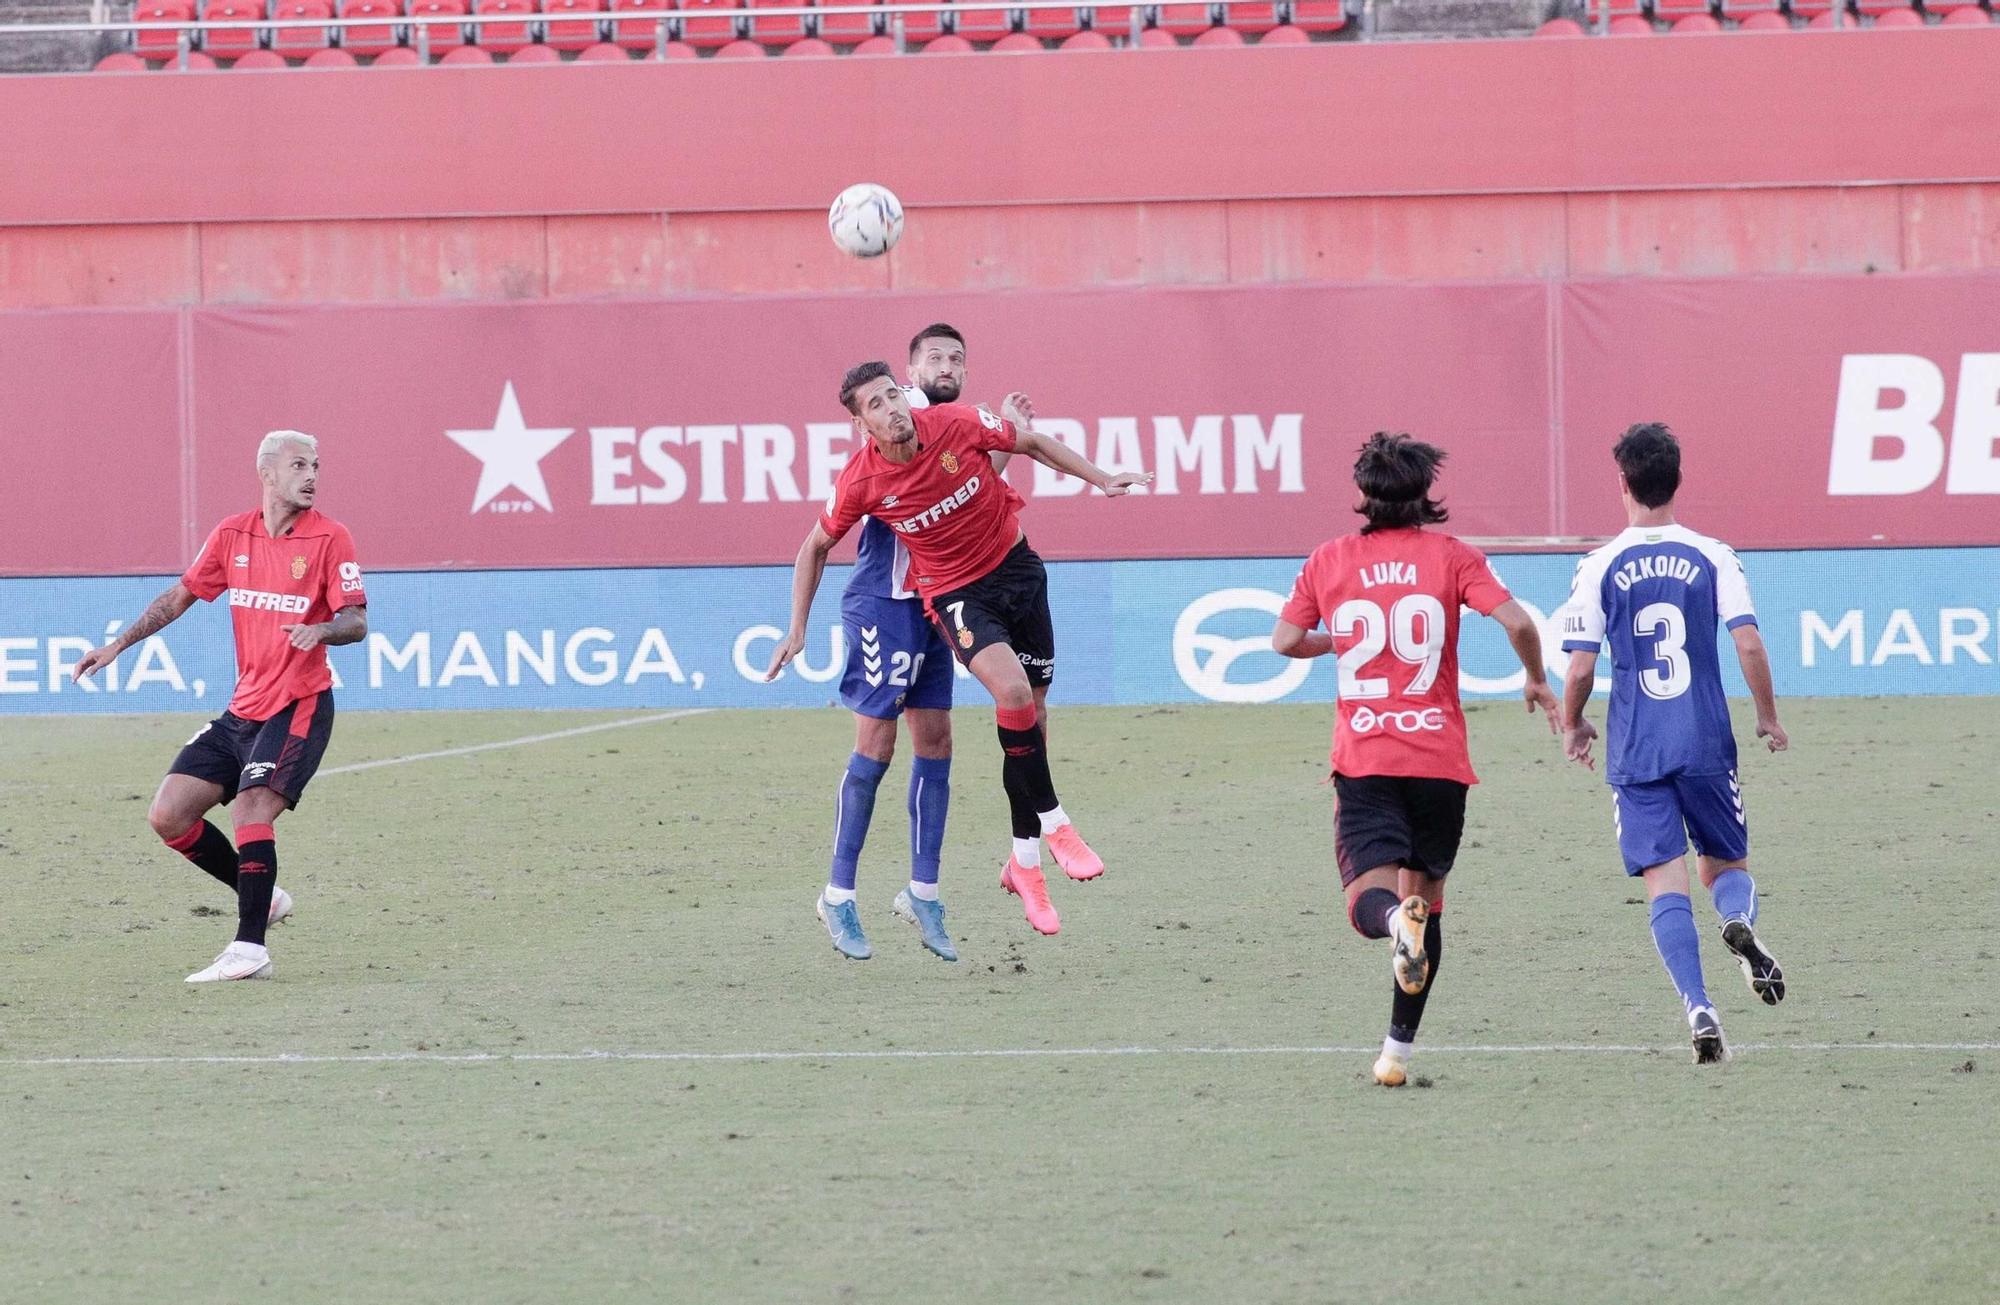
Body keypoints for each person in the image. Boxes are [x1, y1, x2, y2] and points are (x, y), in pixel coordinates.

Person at [768, 362, 1149, 938]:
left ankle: (1022, 863)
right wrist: (797, 626)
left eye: (892, 395)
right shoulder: (860, 481)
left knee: (1031, 715)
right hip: (953, 594)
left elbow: (1032, 443)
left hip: (1019, 570)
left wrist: (1099, 478)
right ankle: (1055, 823)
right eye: (874, 404)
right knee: (1011, 690)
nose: (890, 407)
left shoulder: (954, 422)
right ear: (860, 424)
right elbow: (815, 545)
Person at [1270, 432, 1559, 1088]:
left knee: (1369, 903)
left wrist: (1336, 639)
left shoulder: (1330, 558)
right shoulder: (1453, 556)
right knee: (1429, 901)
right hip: (1439, 762)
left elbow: (1283, 638)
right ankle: (1396, 1052)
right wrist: (1537, 677)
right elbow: (1517, 622)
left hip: (1367, 756)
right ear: (1425, 492)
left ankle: (1393, 924)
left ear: (1363, 494)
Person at [74, 430, 368, 983]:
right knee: (169, 814)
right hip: (243, 708)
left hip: (299, 704)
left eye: (317, 466)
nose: (312, 476)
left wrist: (322, 629)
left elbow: (357, 621)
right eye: (299, 465)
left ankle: (250, 948)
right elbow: (179, 596)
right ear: (267, 473)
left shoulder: (332, 537)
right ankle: (263, 895)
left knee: (252, 808)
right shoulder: (232, 534)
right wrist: (117, 644)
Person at [1557, 422, 1787, 1065]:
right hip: (1706, 740)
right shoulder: (1714, 554)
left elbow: (1578, 668)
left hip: (1637, 749)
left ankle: (1699, 1005)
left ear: (1623, 482)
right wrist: (1767, 717)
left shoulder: (1598, 564)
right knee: (1725, 867)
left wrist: (1574, 724)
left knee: (1666, 880)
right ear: (1676, 480)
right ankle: (1737, 923)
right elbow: (1746, 641)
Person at [815, 323, 1008, 964]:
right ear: (908, 372)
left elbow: (977, 485)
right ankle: (838, 894)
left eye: (956, 357)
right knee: (877, 741)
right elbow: (821, 537)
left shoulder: (948, 425)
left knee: (938, 740)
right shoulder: (902, 416)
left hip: (934, 600)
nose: (946, 367)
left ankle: (922, 890)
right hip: (884, 601)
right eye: (933, 358)